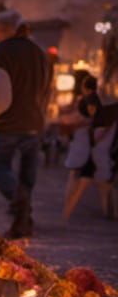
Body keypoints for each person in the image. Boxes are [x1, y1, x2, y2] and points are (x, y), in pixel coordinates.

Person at [0, 10, 52, 237]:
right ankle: (23, 223)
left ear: (1, 30)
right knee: (26, 176)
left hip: (9, 124)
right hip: (34, 123)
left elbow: (2, 98)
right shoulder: (40, 53)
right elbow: (47, 94)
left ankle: (21, 203)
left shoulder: (0, 53)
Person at [62, 76, 116, 220]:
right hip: (95, 150)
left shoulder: (92, 102)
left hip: (91, 150)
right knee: (96, 184)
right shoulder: (101, 103)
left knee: (80, 180)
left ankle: (66, 214)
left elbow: (83, 120)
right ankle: (67, 214)